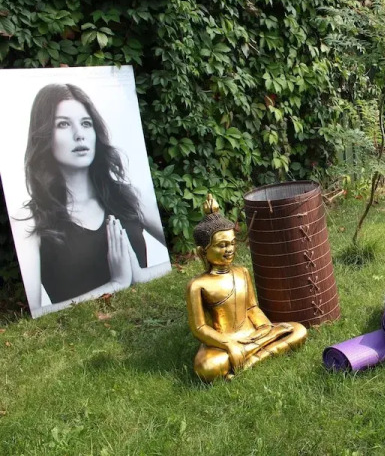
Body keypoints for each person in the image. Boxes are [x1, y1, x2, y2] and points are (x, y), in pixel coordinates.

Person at [22, 83, 170, 306]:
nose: (79, 134)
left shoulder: (128, 197)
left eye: (86, 123)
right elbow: (34, 313)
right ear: (44, 135)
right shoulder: (31, 220)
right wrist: (115, 284)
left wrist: (140, 276)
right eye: (63, 124)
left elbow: (186, 256)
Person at [186, 194, 307, 382]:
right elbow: (199, 328)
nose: (229, 250)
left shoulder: (242, 272)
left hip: (253, 335)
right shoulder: (197, 285)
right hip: (222, 342)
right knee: (207, 367)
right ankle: (253, 353)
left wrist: (264, 327)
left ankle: (250, 361)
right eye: (221, 245)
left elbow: (252, 307)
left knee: (298, 330)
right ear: (203, 252)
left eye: (232, 243)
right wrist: (228, 344)